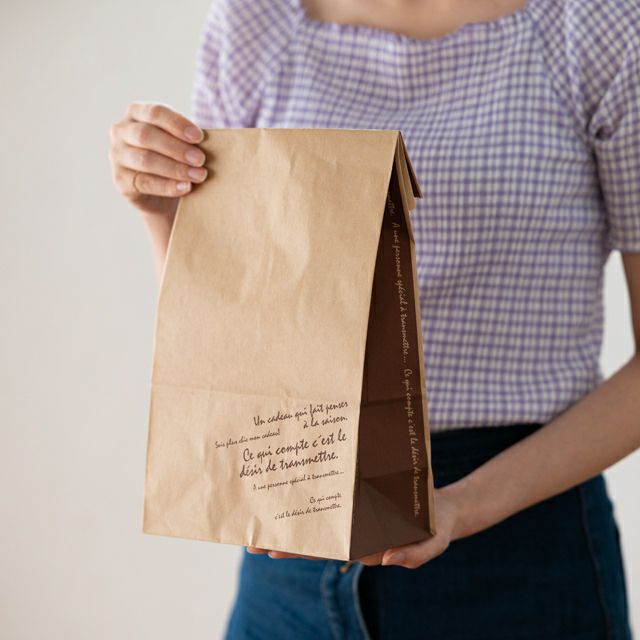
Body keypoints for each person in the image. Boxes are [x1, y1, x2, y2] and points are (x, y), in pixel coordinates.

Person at [109, 0, 640, 637]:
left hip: (520, 550)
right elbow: (234, 329)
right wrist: (159, 208)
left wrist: (460, 506)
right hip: (290, 549)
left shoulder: (598, 28)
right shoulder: (253, 24)